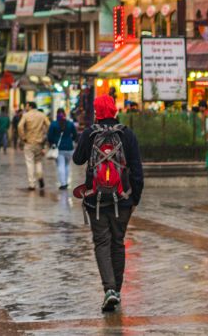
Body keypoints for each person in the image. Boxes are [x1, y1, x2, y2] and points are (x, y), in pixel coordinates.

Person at [73, 95, 144, 313]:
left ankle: (109, 290)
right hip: (122, 199)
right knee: (118, 243)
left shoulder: (90, 133)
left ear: (96, 111)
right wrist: (134, 199)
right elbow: (137, 170)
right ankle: (118, 291)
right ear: (114, 110)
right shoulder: (127, 134)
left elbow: (77, 159)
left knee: (102, 243)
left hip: (96, 200)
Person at [18, 102, 49, 190]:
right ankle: (40, 177)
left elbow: (20, 126)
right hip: (39, 142)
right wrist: (44, 135)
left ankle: (32, 184)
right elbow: (49, 125)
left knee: (29, 162)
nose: (26, 108)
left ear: (30, 106)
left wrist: (23, 137)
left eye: (27, 106)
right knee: (38, 161)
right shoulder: (42, 115)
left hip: (29, 142)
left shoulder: (26, 115)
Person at [47, 108, 78, 190]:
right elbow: (75, 135)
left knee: (60, 166)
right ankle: (66, 182)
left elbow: (49, 136)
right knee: (67, 165)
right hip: (69, 148)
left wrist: (52, 143)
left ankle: (63, 183)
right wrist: (72, 140)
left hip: (59, 148)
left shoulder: (53, 124)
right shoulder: (70, 124)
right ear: (64, 114)